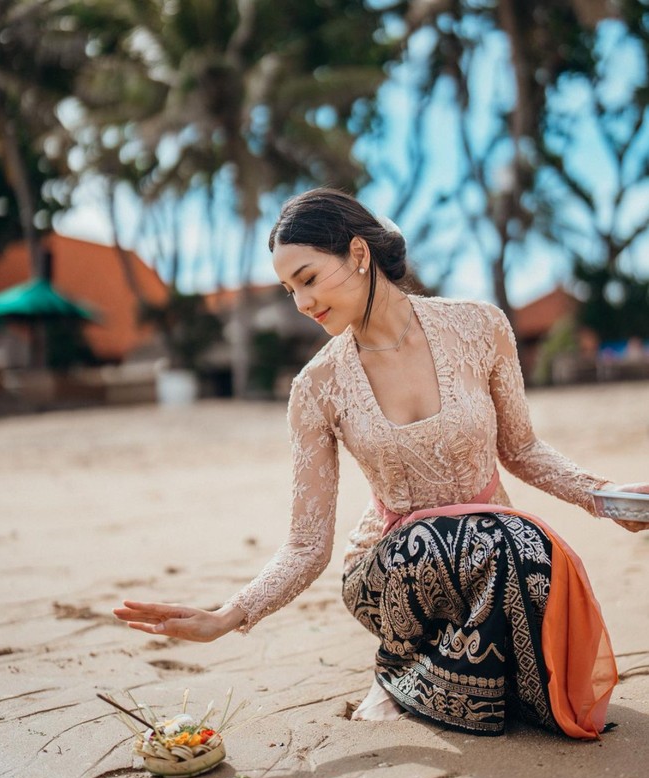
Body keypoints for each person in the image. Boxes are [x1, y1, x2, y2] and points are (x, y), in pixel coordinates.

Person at [114, 188, 649, 738]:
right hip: (393, 568)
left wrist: (605, 498)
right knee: (505, 541)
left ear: (359, 255)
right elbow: (306, 545)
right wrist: (228, 616)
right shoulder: (317, 387)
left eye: (308, 278)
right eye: (288, 288)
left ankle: (413, 678)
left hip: (495, 558)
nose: (300, 302)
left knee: (529, 555)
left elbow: (521, 451)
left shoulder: (480, 327)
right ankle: (408, 664)